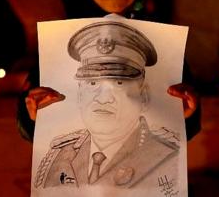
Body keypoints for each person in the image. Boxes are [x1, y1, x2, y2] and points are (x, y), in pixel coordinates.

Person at [17, 0, 200, 145]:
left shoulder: (161, 46)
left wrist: (187, 114)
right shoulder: (59, 45)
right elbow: (29, 126)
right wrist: (33, 115)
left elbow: (178, 129)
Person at [34, 21, 180, 189]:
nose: (102, 99)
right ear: (80, 95)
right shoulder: (57, 157)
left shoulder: (168, 159)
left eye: (119, 83)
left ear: (144, 98)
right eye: (92, 83)